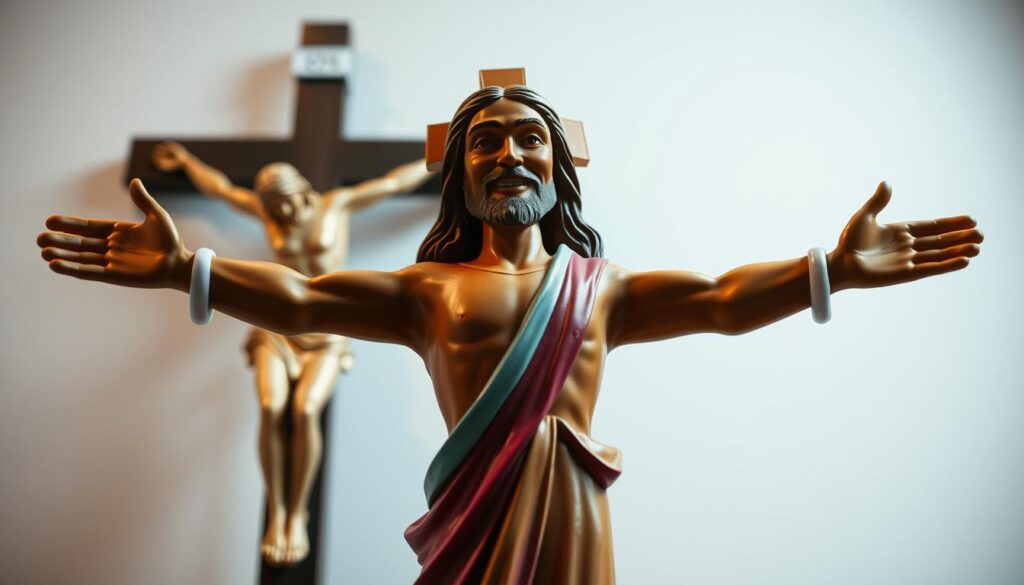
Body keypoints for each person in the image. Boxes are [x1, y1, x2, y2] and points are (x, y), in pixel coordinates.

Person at [39, 85, 982, 584]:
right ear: (461, 176)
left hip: (568, 508)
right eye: (485, 142)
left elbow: (725, 298)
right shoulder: (425, 288)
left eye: (526, 138)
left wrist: (834, 267)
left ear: (558, 166)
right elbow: (302, 298)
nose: (507, 152)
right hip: (469, 525)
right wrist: (186, 269)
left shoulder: (597, 288)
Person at [150, 142, 431, 565]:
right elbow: (223, 191)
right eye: (271, 206)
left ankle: (297, 513)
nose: (279, 214)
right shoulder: (266, 212)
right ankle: (276, 513)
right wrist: (188, 163)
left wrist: (438, 159)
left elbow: (391, 184)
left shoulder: (337, 205)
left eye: (284, 203)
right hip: (276, 327)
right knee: (270, 404)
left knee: (303, 410)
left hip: (328, 329)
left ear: (301, 192)